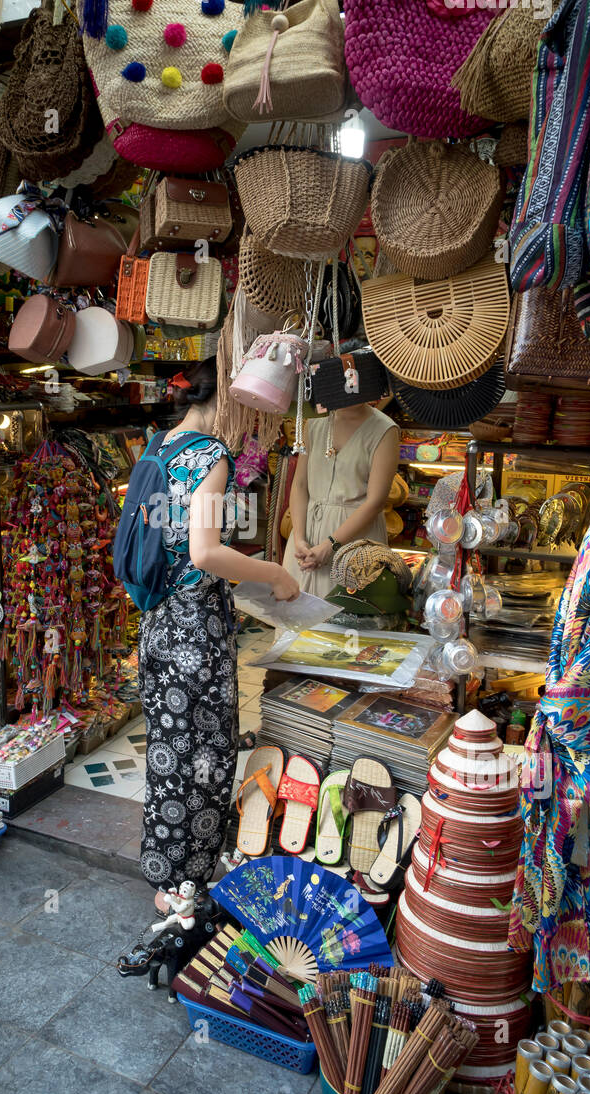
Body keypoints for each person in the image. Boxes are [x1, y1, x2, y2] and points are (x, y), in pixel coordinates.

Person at [136, 358, 299, 900]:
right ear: (221, 401)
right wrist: (272, 573)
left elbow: (168, 540)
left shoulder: (157, 446)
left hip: (159, 626)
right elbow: (205, 552)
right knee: (205, 755)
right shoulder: (210, 455)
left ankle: (165, 876)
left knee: (167, 752)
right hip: (195, 634)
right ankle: (186, 885)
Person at [283, 402, 400, 599]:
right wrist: (299, 539)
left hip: (355, 543)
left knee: (343, 619)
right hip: (306, 537)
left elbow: (375, 502)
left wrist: (329, 546)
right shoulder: (313, 423)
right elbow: (300, 485)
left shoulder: (384, 429)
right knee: (294, 616)